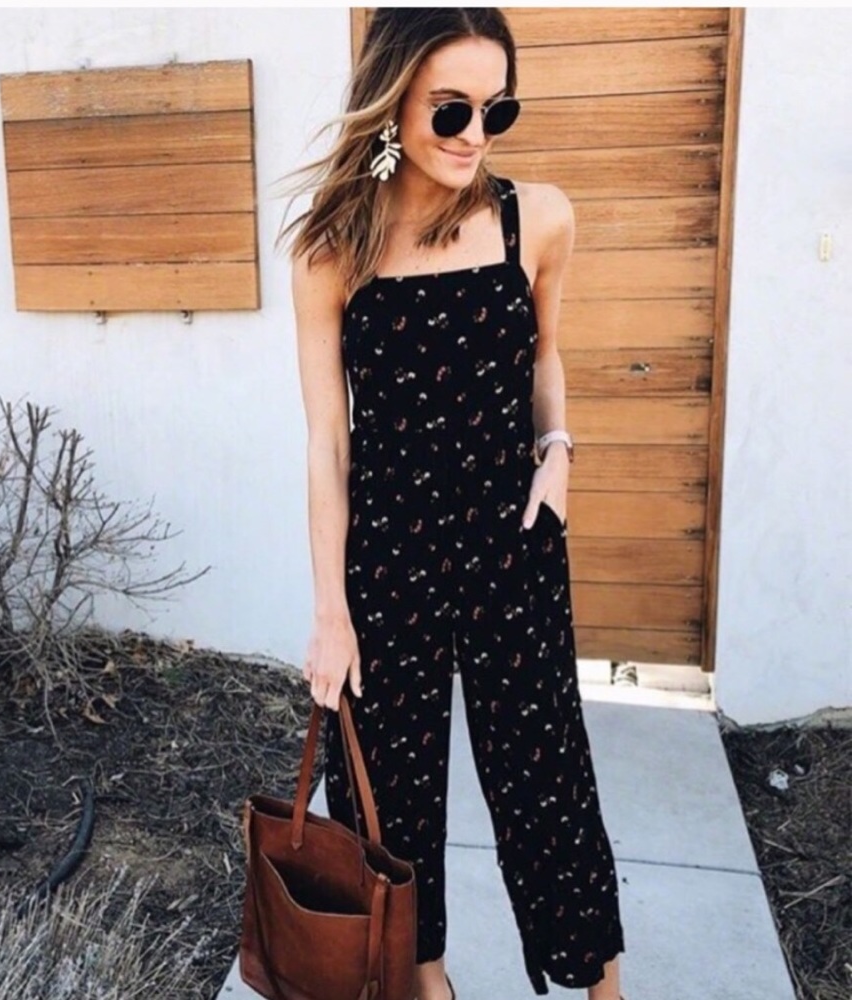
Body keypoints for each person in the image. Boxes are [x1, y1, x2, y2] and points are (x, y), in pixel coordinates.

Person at [280, 9, 626, 999]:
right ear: (393, 101)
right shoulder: (331, 249)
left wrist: (558, 448)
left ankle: (604, 988)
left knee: (549, 781)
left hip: (513, 544)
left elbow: (546, 357)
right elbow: (328, 441)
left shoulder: (537, 218)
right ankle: (424, 981)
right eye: (451, 110)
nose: (475, 134)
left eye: (495, 109)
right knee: (388, 804)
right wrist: (330, 612)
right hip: (388, 558)